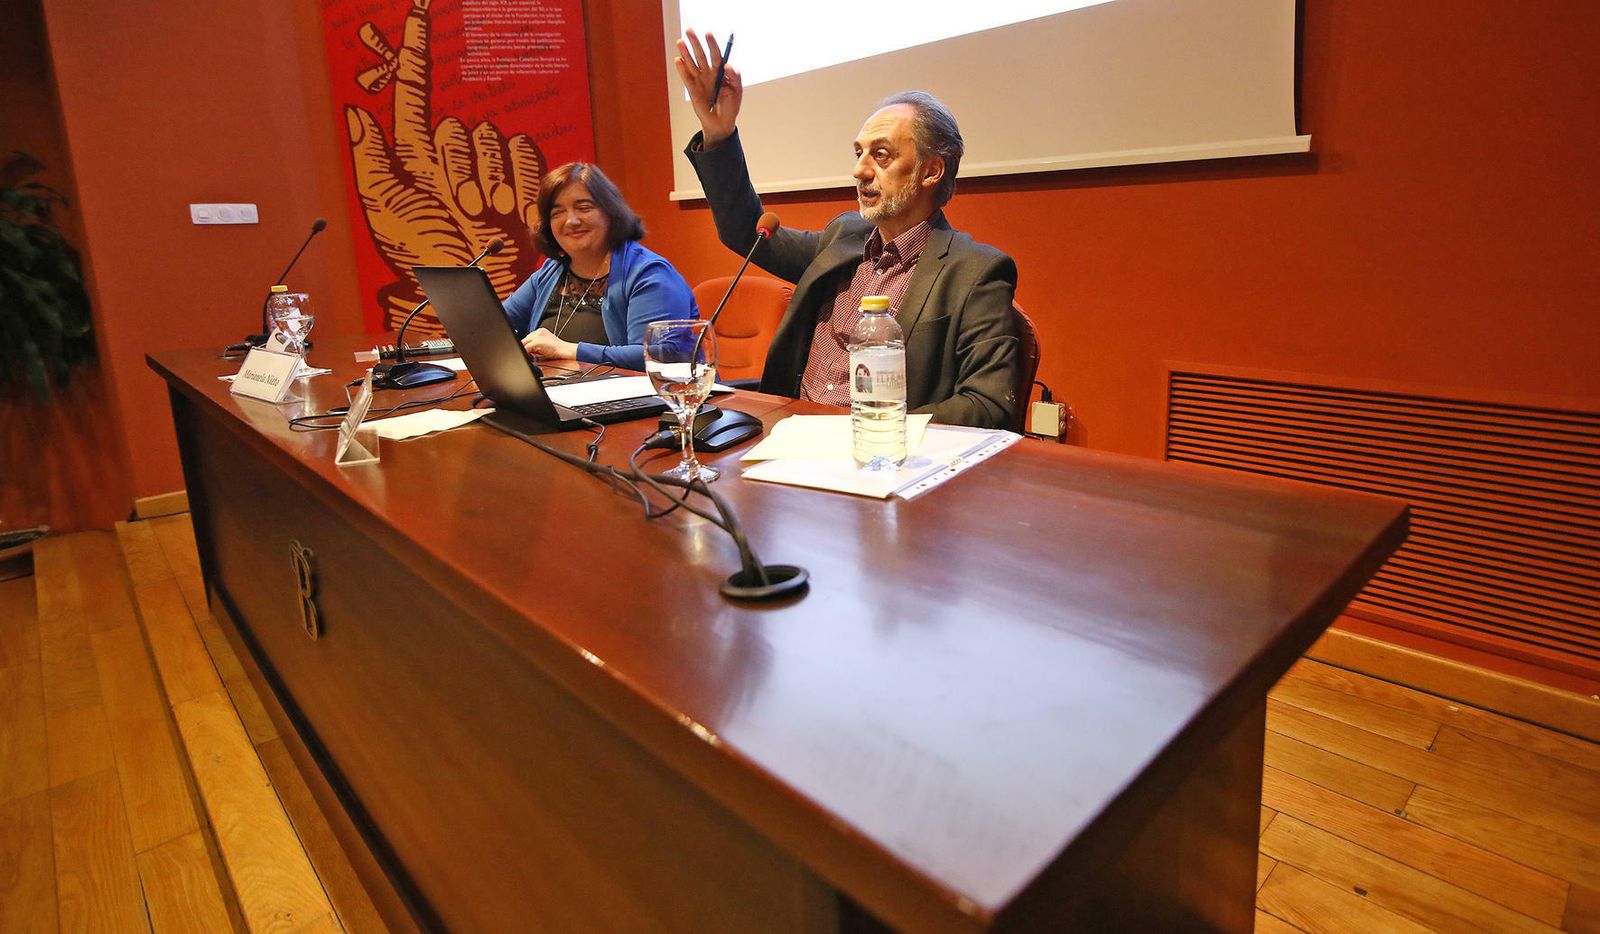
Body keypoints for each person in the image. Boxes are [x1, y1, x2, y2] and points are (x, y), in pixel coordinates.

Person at [674, 31, 1020, 429]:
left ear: (931, 171)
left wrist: (871, 428)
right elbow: (743, 232)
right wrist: (718, 133)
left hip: (878, 458)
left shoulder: (975, 272)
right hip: (786, 437)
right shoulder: (843, 236)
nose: (859, 170)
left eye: (882, 154)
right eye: (859, 153)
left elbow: (990, 405)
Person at [503, 163, 697, 371]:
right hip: (557, 395)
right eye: (557, 212)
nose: (571, 220)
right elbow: (497, 326)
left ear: (611, 212)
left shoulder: (649, 274)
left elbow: (659, 354)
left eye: (583, 208)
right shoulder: (551, 271)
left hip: (637, 399)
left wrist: (571, 350)